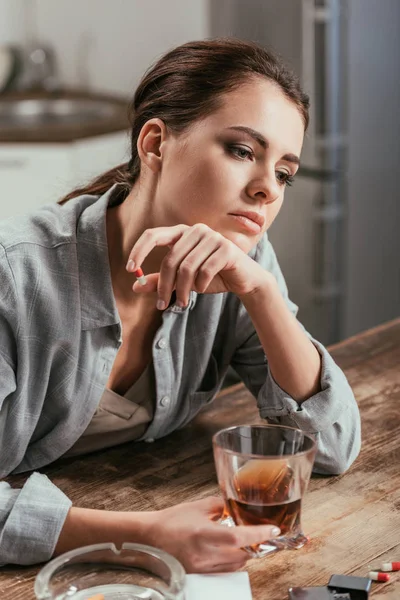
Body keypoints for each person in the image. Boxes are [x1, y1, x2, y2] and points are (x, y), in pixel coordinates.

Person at [0, 38, 361, 573]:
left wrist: (260, 293)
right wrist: (145, 536)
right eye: (242, 150)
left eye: (284, 172)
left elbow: (330, 446)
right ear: (154, 144)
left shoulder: (245, 260)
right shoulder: (15, 276)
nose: (267, 189)